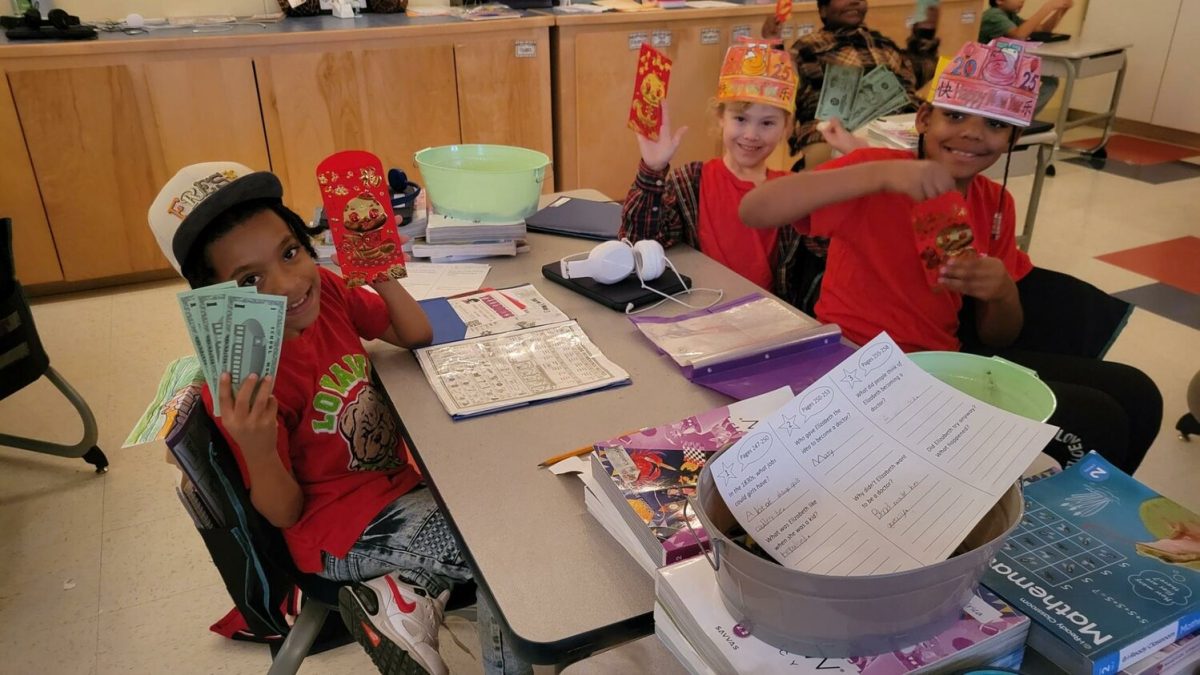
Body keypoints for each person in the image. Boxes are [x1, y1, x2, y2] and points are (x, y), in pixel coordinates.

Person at [148, 162, 530, 675]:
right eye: (251, 279)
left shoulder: (325, 290)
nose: (289, 284)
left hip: (398, 488)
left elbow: (415, 333)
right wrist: (256, 448)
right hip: (338, 533)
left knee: (502, 503)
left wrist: (379, 270)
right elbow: (284, 514)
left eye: (290, 252)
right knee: (499, 549)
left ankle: (402, 601)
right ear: (217, 302)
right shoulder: (247, 383)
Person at [739, 41, 1161, 475]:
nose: (973, 133)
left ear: (1013, 139)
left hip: (945, 360)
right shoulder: (877, 172)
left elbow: (999, 335)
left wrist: (1002, 293)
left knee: (1138, 393)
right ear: (924, 119)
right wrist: (879, 174)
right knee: (1098, 418)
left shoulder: (995, 203)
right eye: (955, 116)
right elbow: (754, 210)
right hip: (861, 364)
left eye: (995, 123)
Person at [621, 39, 857, 309]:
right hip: (697, 312)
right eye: (740, 119)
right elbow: (639, 244)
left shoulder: (791, 191)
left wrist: (854, 165)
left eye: (767, 123)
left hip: (769, 319)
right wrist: (652, 171)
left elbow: (833, 249)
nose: (751, 135)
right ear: (721, 117)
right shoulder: (690, 182)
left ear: (786, 127)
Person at [762, 0, 941, 168]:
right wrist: (772, 44)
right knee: (824, 157)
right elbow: (782, 85)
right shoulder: (807, 47)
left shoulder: (884, 44)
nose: (854, 1)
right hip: (835, 129)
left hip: (901, 126)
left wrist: (924, 33)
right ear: (823, 10)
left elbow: (916, 73)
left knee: (941, 138)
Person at [980, 0, 1073, 112]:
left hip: (1005, 63)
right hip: (988, 66)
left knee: (1050, 80)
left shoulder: (1010, 15)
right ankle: (1021, 114)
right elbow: (1019, 35)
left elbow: (1043, 29)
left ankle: (1023, 114)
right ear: (999, 1)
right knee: (1049, 80)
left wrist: (1061, 10)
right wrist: (1047, 7)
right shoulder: (993, 15)